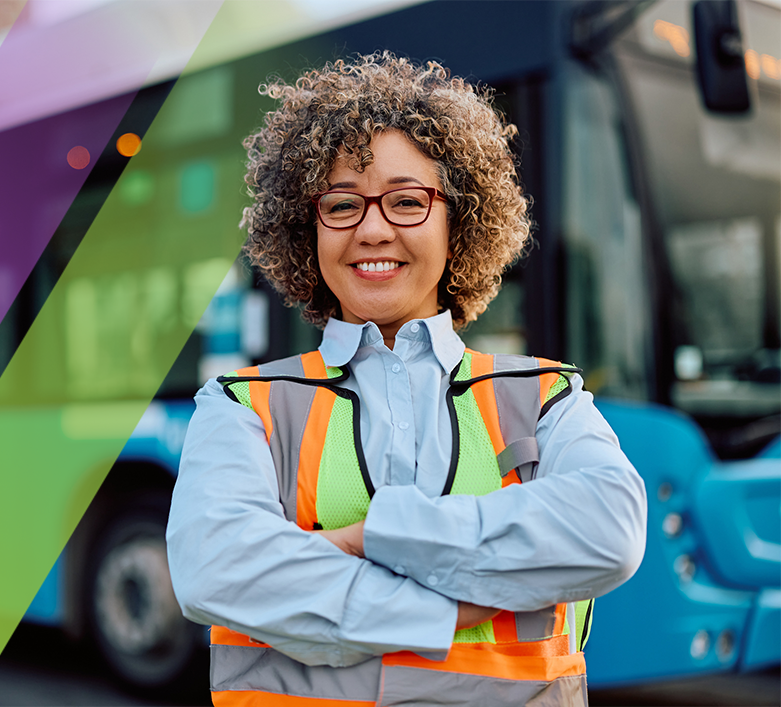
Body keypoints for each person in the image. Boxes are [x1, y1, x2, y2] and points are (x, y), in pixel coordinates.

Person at [166, 52, 647, 707]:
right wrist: (451, 607)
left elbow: (607, 533)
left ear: (459, 222)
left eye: (405, 201)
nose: (371, 228)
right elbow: (213, 570)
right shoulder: (240, 404)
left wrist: (371, 537)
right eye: (341, 204)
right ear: (307, 229)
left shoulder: (545, 397)